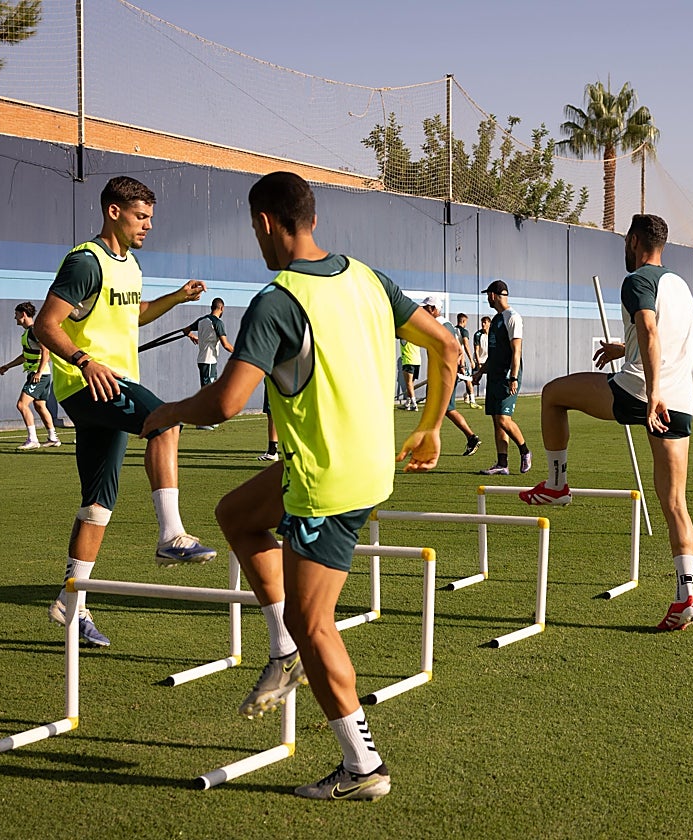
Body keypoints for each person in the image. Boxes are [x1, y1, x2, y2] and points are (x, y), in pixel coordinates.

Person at [141, 171, 458, 801]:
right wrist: (430, 427)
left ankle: (363, 767)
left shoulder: (278, 299)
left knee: (316, 623)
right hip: (364, 465)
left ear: (266, 223)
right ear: (310, 217)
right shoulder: (368, 278)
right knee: (236, 513)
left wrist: (168, 412)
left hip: (326, 482)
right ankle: (283, 650)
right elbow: (447, 347)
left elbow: (227, 402)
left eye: (253, 229)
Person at [34, 176, 218, 649]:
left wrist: (176, 298)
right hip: (92, 383)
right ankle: (171, 535)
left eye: (150, 218)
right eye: (141, 216)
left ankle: (71, 603)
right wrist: (84, 361)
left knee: (97, 504)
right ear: (113, 212)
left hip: (105, 387)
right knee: (166, 419)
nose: (148, 225)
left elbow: (132, 315)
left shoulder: (130, 266)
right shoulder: (86, 261)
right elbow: (45, 325)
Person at [518, 214, 693, 632]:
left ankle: (557, 484)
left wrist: (651, 392)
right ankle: (685, 596)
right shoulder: (680, 285)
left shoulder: (637, 280)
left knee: (552, 395)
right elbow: (661, 334)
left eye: (625, 241)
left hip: (641, 392)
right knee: (675, 503)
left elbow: (650, 330)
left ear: (634, 241)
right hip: (679, 402)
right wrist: (625, 348)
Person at [473, 280, 532, 475]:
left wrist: (513, 377)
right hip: (494, 376)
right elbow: (494, 354)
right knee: (497, 420)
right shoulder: (496, 319)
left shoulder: (513, 317)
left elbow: (516, 351)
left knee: (504, 419)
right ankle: (502, 464)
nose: (487, 299)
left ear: (492, 295)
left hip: (508, 376)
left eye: (487, 295)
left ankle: (525, 451)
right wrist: (480, 373)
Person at [421, 299, 482, 456]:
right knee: (448, 409)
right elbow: (459, 351)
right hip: (446, 373)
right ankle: (471, 438)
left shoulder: (437, 325)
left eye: (426, 308)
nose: (423, 311)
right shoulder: (447, 324)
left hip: (442, 375)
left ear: (433, 309)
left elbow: (454, 350)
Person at [0, 301, 61, 450]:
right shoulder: (28, 333)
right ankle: (53, 438)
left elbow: (46, 351)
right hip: (40, 374)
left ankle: (33, 440)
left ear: (23, 314)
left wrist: (38, 372)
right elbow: (25, 356)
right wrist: (8, 366)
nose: (15, 317)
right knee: (40, 406)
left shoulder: (34, 331)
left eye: (16, 314)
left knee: (21, 405)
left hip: (39, 375)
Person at [186, 297, 235, 430]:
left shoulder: (202, 320)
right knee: (207, 392)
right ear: (221, 308)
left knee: (210, 390)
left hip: (205, 360)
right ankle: (202, 421)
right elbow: (226, 345)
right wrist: (239, 353)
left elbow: (186, 330)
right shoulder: (217, 323)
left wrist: (193, 336)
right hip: (208, 361)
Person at [454, 312, 480, 408]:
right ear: (463, 321)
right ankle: (472, 401)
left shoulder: (452, 330)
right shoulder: (464, 331)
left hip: (452, 359)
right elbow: (466, 345)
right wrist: (471, 360)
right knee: (468, 379)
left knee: (453, 380)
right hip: (461, 359)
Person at [473, 315, 490, 379]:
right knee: (474, 380)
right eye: (482, 322)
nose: (483, 324)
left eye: (485, 322)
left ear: (489, 323)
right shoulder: (477, 334)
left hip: (488, 362)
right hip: (479, 361)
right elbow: (476, 351)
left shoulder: (492, 334)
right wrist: (479, 364)